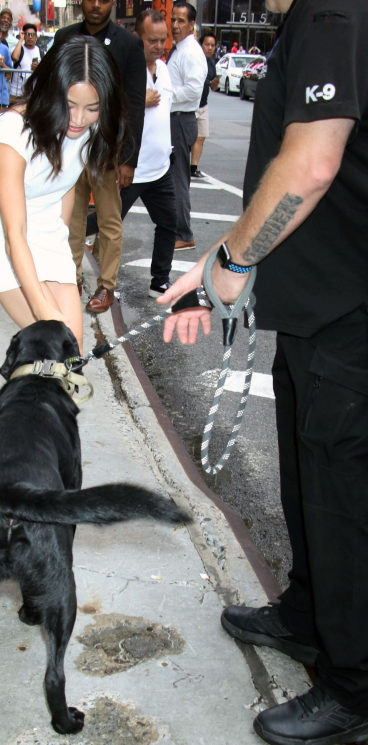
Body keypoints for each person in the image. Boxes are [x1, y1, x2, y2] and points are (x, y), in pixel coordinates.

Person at [159, 1, 368, 744]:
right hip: (322, 306)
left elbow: (311, 164)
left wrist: (235, 259)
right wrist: (232, 259)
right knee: (311, 481)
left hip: (350, 312)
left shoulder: (333, 12)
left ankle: (353, 682)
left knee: (344, 497)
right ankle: (308, 615)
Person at [0, 36, 127, 353]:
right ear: (52, 91)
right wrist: (44, 312)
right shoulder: (12, 133)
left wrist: (62, 246)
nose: (80, 120)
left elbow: (65, 185)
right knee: (54, 346)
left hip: (47, 233)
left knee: (73, 350)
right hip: (1, 236)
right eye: (70, 106)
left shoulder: (88, 130)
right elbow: (14, 235)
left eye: (92, 108)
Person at [55, 0, 146, 313]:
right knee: (71, 218)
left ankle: (106, 285)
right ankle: (72, 278)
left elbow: (133, 104)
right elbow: (53, 92)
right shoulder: (64, 37)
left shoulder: (130, 44)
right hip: (69, 144)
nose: (96, 4)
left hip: (107, 148)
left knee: (109, 220)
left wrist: (128, 158)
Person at [86, 9, 176, 299]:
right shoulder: (126, 67)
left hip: (161, 168)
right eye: (152, 40)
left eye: (163, 40)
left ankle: (159, 280)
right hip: (131, 168)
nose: (159, 46)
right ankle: (72, 245)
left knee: (169, 223)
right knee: (103, 221)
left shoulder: (164, 69)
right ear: (138, 37)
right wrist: (136, 102)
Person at [167, 1, 206, 251]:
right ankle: (178, 229)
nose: (175, 25)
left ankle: (184, 233)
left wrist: (166, 95)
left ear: (192, 25)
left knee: (178, 179)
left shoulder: (190, 51)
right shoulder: (179, 48)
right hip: (175, 118)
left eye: (181, 21)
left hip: (181, 119)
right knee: (172, 178)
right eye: (173, 19)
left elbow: (194, 89)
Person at [191, 31, 219, 179]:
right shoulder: (196, 60)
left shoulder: (212, 64)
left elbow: (213, 86)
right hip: (191, 105)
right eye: (207, 44)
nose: (209, 48)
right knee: (185, 138)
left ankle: (193, 167)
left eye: (212, 45)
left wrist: (215, 84)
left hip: (204, 105)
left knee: (201, 137)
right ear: (201, 45)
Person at [10, 23, 41, 104]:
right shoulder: (19, 48)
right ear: (23, 35)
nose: (30, 37)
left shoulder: (40, 52)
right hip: (16, 93)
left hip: (33, 93)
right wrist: (20, 40)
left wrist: (39, 68)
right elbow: (15, 57)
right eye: (27, 34)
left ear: (36, 36)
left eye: (32, 34)